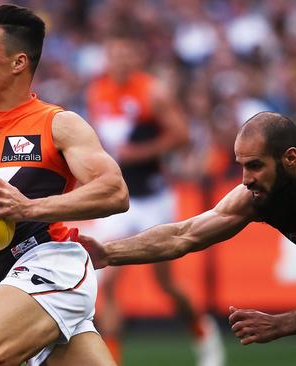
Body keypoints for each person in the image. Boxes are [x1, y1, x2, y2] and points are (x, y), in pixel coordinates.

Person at [80, 111, 296, 365]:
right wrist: (107, 253)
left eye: (255, 165)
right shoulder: (259, 194)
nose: (245, 179)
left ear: (290, 158)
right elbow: (183, 235)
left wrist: (281, 324)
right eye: (241, 166)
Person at [0, 4, 129, 366]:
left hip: (52, 264)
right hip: (10, 277)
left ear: (18, 63)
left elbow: (115, 192)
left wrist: (28, 209)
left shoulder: (58, 124)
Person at [85, 31, 224, 366]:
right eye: (114, 54)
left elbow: (181, 134)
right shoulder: (98, 91)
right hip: (118, 197)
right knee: (110, 280)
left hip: (153, 196)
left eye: (125, 54)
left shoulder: (151, 92)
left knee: (165, 282)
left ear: (135, 58)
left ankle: (202, 332)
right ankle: (112, 358)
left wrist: (139, 152)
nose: (119, 61)